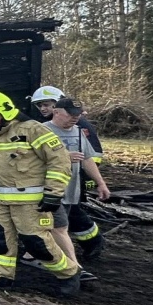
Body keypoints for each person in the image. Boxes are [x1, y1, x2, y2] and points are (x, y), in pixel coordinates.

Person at [0, 91, 82, 295]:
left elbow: (60, 160)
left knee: (37, 243)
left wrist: (54, 193)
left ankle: (70, 273)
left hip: (30, 203)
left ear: (5, 112)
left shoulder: (33, 130)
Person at [30, 85, 107, 259]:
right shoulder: (41, 128)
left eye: (47, 105)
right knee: (61, 220)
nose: (43, 109)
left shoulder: (79, 127)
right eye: (40, 105)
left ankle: (90, 244)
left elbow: (90, 155)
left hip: (73, 182)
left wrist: (91, 179)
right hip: (53, 185)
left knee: (69, 217)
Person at [45, 98, 111, 268]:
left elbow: (87, 159)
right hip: (49, 190)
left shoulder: (78, 132)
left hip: (70, 190)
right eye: (71, 114)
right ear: (57, 112)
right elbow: (30, 159)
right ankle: (72, 267)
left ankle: (46, 258)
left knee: (57, 229)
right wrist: (64, 156)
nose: (75, 118)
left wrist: (100, 183)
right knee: (58, 229)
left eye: (78, 114)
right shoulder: (41, 131)